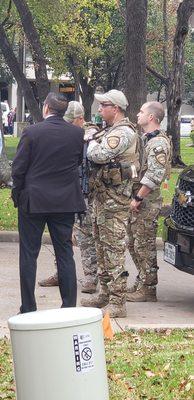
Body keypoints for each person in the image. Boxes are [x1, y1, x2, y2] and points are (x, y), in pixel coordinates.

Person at [11, 92, 86, 313]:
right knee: (65, 253)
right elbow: (77, 162)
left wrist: (17, 192)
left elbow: (19, 168)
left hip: (34, 200)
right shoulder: (76, 133)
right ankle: (69, 306)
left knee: (28, 254)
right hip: (64, 201)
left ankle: (28, 307)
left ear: (46, 108)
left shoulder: (32, 132)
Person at [81, 89, 140, 318]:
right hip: (102, 200)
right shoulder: (110, 130)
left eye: (103, 105)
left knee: (114, 251)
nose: (99, 109)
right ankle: (105, 294)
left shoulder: (123, 132)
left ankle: (118, 302)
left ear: (115, 108)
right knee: (102, 249)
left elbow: (98, 155)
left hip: (114, 203)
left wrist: (90, 141)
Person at [39, 101, 98, 294]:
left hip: (86, 194)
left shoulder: (92, 134)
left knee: (86, 236)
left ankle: (90, 277)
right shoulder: (67, 132)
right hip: (66, 192)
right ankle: (61, 272)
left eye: (71, 122)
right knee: (62, 236)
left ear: (80, 119)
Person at [127, 101, 172, 302]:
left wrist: (138, 198)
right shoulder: (147, 139)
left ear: (151, 117)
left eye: (141, 111)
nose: (138, 114)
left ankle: (148, 288)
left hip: (146, 202)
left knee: (144, 245)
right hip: (139, 200)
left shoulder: (158, 143)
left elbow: (155, 175)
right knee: (134, 243)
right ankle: (142, 279)